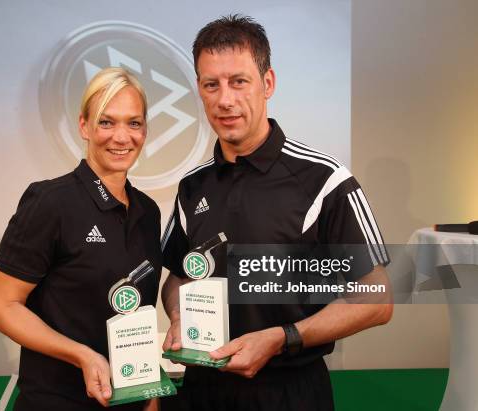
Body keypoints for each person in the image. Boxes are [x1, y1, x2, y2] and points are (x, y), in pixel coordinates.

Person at [160, 15, 393, 411]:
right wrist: (180, 316)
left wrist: (282, 337)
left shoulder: (326, 180)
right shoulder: (192, 186)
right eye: (210, 84)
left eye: (239, 81)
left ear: (267, 83)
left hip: (289, 392)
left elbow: (377, 298)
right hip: (202, 389)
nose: (225, 100)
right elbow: (179, 277)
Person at [0, 67, 161, 411]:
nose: (121, 136)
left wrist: (150, 395)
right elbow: (1, 307)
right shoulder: (50, 202)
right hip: (58, 400)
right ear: (84, 126)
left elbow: (138, 312)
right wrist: (81, 355)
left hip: (129, 400)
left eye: (134, 123)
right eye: (106, 122)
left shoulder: (148, 212)